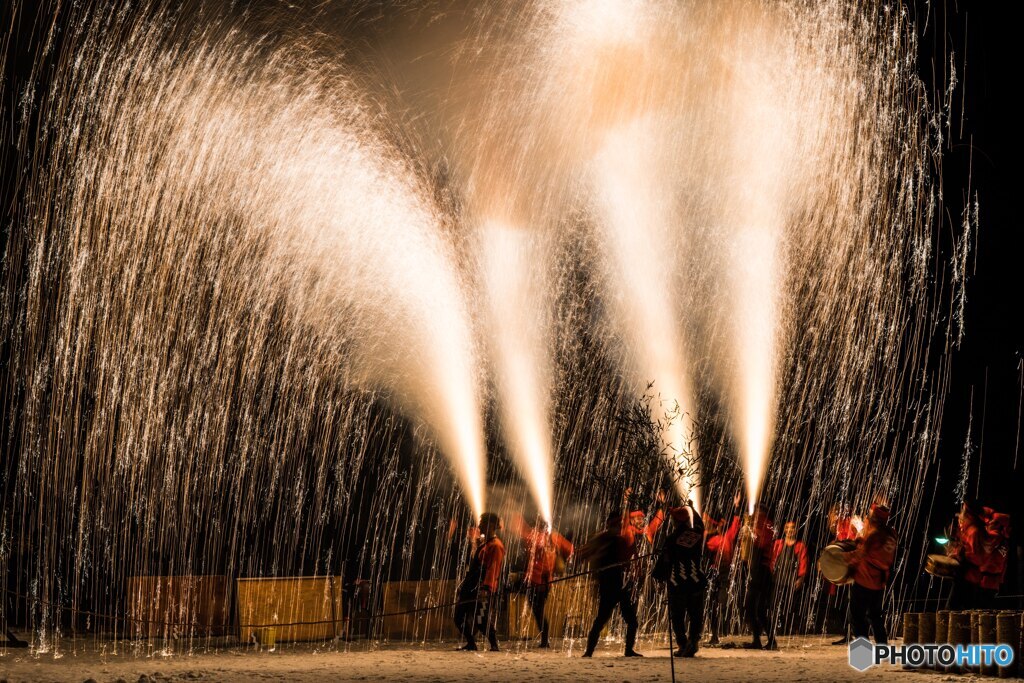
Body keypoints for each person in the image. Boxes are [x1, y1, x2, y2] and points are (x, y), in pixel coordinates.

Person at [578, 511, 644, 657]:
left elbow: (628, 557)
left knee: (631, 621)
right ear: (610, 524)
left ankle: (628, 650)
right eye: (616, 524)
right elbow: (585, 554)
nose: (618, 526)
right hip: (609, 585)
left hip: (623, 584)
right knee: (601, 619)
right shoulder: (602, 538)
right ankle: (589, 651)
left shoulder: (621, 539)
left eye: (619, 524)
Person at [512, 515, 574, 648]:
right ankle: (544, 639)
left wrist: (518, 522)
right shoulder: (552, 537)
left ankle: (545, 640)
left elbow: (526, 537)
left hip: (539, 581)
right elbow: (570, 550)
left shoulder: (541, 537)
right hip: (540, 581)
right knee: (537, 610)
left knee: (538, 610)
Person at [653, 502, 706, 657]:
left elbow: (666, 560)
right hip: (695, 580)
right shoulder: (696, 533)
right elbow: (700, 523)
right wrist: (693, 509)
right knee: (695, 614)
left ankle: (683, 644)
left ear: (677, 521)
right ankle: (693, 641)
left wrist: (658, 576)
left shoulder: (671, 539)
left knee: (677, 615)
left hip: (678, 582)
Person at [842, 504, 897, 644]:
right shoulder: (892, 533)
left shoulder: (874, 534)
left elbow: (860, 554)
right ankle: (882, 647)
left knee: (857, 618)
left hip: (864, 580)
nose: (867, 516)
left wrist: (840, 558)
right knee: (875, 616)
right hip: (879, 582)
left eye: (870, 514)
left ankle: (862, 652)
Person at [454, 512, 505, 652]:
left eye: (483, 523)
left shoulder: (496, 545)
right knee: (459, 617)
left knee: (481, 619)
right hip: (471, 586)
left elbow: (492, 569)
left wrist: (486, 588)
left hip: (481, 588)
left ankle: (494, 645)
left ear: (492, 525)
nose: (480, 525)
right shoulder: (485, 544)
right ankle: (471, 643)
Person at [704, 493, 742, 645]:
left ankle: (719, 631)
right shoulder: (711, 539)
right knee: (711, 604)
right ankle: (714, 634)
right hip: (713, 574)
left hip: (725, 574)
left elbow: (736, 523)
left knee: (720, 604)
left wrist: (737, 507)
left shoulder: (728, 536)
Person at [740, 504, 777, 650]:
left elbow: (761, 543)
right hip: (759, 572)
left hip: (762, 572)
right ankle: (760, 640)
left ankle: (769, 640)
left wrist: (752, 531)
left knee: (756, 608)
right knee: (755, 608)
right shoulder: (761, 524)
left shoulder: (765, 525)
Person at [826, 504, 857, 644]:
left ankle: (853, 634)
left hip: (854, 569)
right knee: (845, 603)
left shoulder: (850, 523)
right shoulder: (839, 526)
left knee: (850, 602)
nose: (830, 517)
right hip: (846, 569)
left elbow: (852, 543)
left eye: (832, 514)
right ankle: (849, 633)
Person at [771, 521, 809, 635]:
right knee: (775, 604)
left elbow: (803, 563)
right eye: (787, 527)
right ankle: (775, 628)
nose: (790, 530)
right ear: (784, 530)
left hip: (791, 581)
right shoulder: (778, 543)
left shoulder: (800, 546)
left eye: (792, 528)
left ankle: (787, 628)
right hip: (778, 579)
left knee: (789, 606)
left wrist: (800, 578)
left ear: (796, 530)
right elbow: (772, 560)